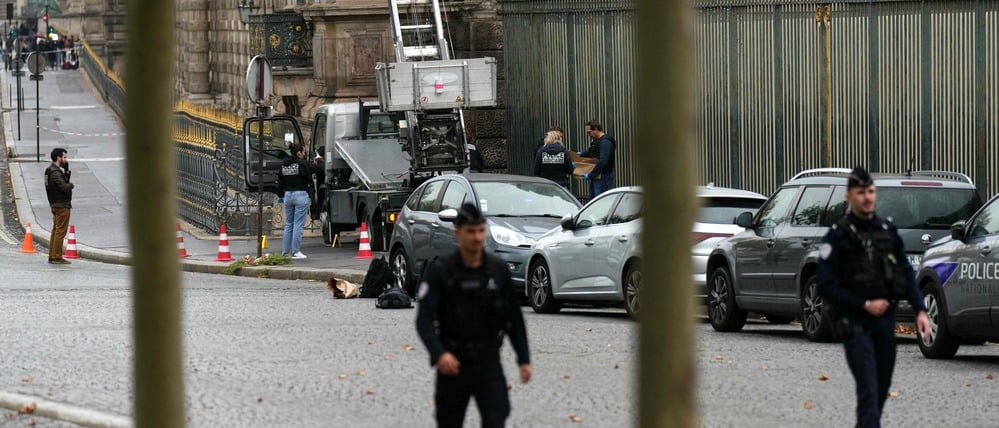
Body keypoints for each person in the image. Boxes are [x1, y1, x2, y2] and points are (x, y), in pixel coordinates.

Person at [816, 166, 932, 428]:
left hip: (884, 326)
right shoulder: (838, 236)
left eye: (870, 191)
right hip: (855, 325)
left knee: (880, 391)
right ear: (849, 197)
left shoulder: (887, 231)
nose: (867, 197)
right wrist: (863, 304)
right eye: (861, 192)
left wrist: (920, 310)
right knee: (868, 390)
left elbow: (905, 270)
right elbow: (825, 284)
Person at [416, 202, 532, 427]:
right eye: (470, 231)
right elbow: (424, 320)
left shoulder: (498, 270)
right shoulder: (441, 271)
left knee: (496, 419)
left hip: (488, 360)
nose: (477, 237)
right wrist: (440, 355)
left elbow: (513, 319)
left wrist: (524, 359)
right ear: (458, 232)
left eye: (480, 230)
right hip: (453, 360)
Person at [278, 142, 322, 259]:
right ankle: (296, 251)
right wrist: (319, 160)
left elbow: (280, 181)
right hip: (300, 195)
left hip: (288, 195)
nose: (304, 154)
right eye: (303, 152)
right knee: (298, 224)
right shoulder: (302, 164)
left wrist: (281, 194)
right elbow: (318, 169)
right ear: (299, 153)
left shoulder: (284, 165)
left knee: (289, 224)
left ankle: (285, 251)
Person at [45, 148, 74, 265]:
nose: (66, 160)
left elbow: (63, 182)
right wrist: (71, 185)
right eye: (64, 157)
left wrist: (66, 171)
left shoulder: (49, 170)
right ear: (58, 157)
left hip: (55, 204)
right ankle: (56, 256)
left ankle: (52, 255)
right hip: (62, 205)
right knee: (60, 231)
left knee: (55, 230)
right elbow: (64, 187)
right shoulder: (55, 173)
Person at [577, 120, 616, 197]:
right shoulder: (597, 141)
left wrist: (591, 175)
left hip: (603, 176)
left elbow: (603, 161)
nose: (588, 135)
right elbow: (591, 152)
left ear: (596, 129)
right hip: (597, 175)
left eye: (589, 132)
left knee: (600, 200)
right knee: (595, 199)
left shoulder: (605, 142)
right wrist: (581, 154)